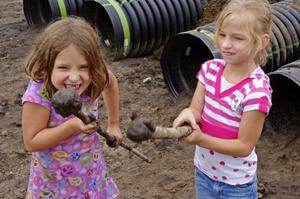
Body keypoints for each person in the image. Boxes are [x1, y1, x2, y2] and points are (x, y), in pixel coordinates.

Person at [173, 0, 273, 198]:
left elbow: (244, 146)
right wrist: (187, 114)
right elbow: (195, 110)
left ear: (261, 42)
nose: (226, 44)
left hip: (236, 185)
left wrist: (202, 139)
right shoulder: (210, 70)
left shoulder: (257, 90)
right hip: (203, 173)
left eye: (237, 38)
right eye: (222, 34)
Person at [22, 16, 122, 198]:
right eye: (63, 68)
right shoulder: (39, 94)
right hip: (54, 184)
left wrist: (113, 124)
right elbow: (31, 142)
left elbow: (111, 83)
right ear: (47, 64)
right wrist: (72, 126)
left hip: (90, 173)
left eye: (84, 67)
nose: (75, 77)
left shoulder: (95, 77)